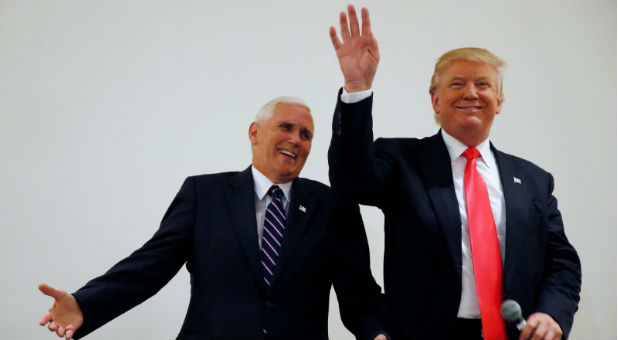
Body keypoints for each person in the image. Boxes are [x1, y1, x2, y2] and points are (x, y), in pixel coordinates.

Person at [38, 97, 388, 340]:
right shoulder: (203, 195)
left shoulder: (332, 207)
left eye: (306, 134)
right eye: (286, 127)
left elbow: (359, 292)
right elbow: (148, 267)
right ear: (255, 133)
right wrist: (86, 303)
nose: (295, 140)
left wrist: (377, 332)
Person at [327, 5, 581, 340]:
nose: (471, 93)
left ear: (500, 100)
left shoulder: (534, 180)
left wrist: (552, 313)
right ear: (435, 100)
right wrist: (357, 86)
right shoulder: (402, 160)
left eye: (483, 84)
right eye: (457, 83)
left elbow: (562, 260)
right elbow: (351, 180)